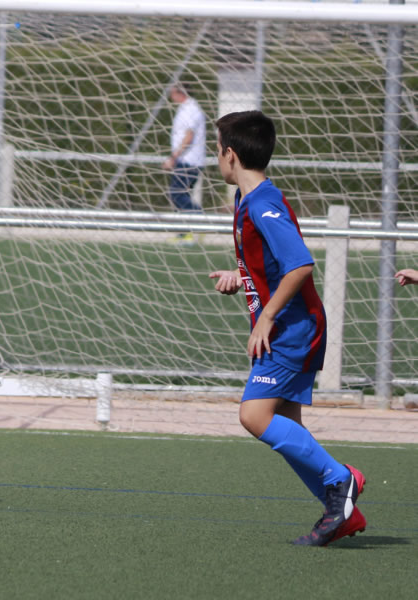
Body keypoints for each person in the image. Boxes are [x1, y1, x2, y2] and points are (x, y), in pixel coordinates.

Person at [207, 110, 365, 546]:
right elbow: (274, 265)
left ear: (231, 155)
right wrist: (242, 277)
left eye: (216, 150)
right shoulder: (248, 199)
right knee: (285, 424)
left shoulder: (262, 203)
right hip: (290, 327)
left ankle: (342, 479)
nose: (215, 158)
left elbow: (299, 265)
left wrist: (267, 317)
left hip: (293, 329)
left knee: (253, 415)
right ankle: (339, 511)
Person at [162, 84, 207, 222]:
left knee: (177, 195)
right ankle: (187, 229)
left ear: (179, 93)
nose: (170, 96)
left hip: (189, 161)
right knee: (182, 196)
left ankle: (202, 220)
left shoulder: (191, 110)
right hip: (185, 160)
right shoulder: (185, 108)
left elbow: (189, 137)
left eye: (172, 92)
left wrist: (173, 157)